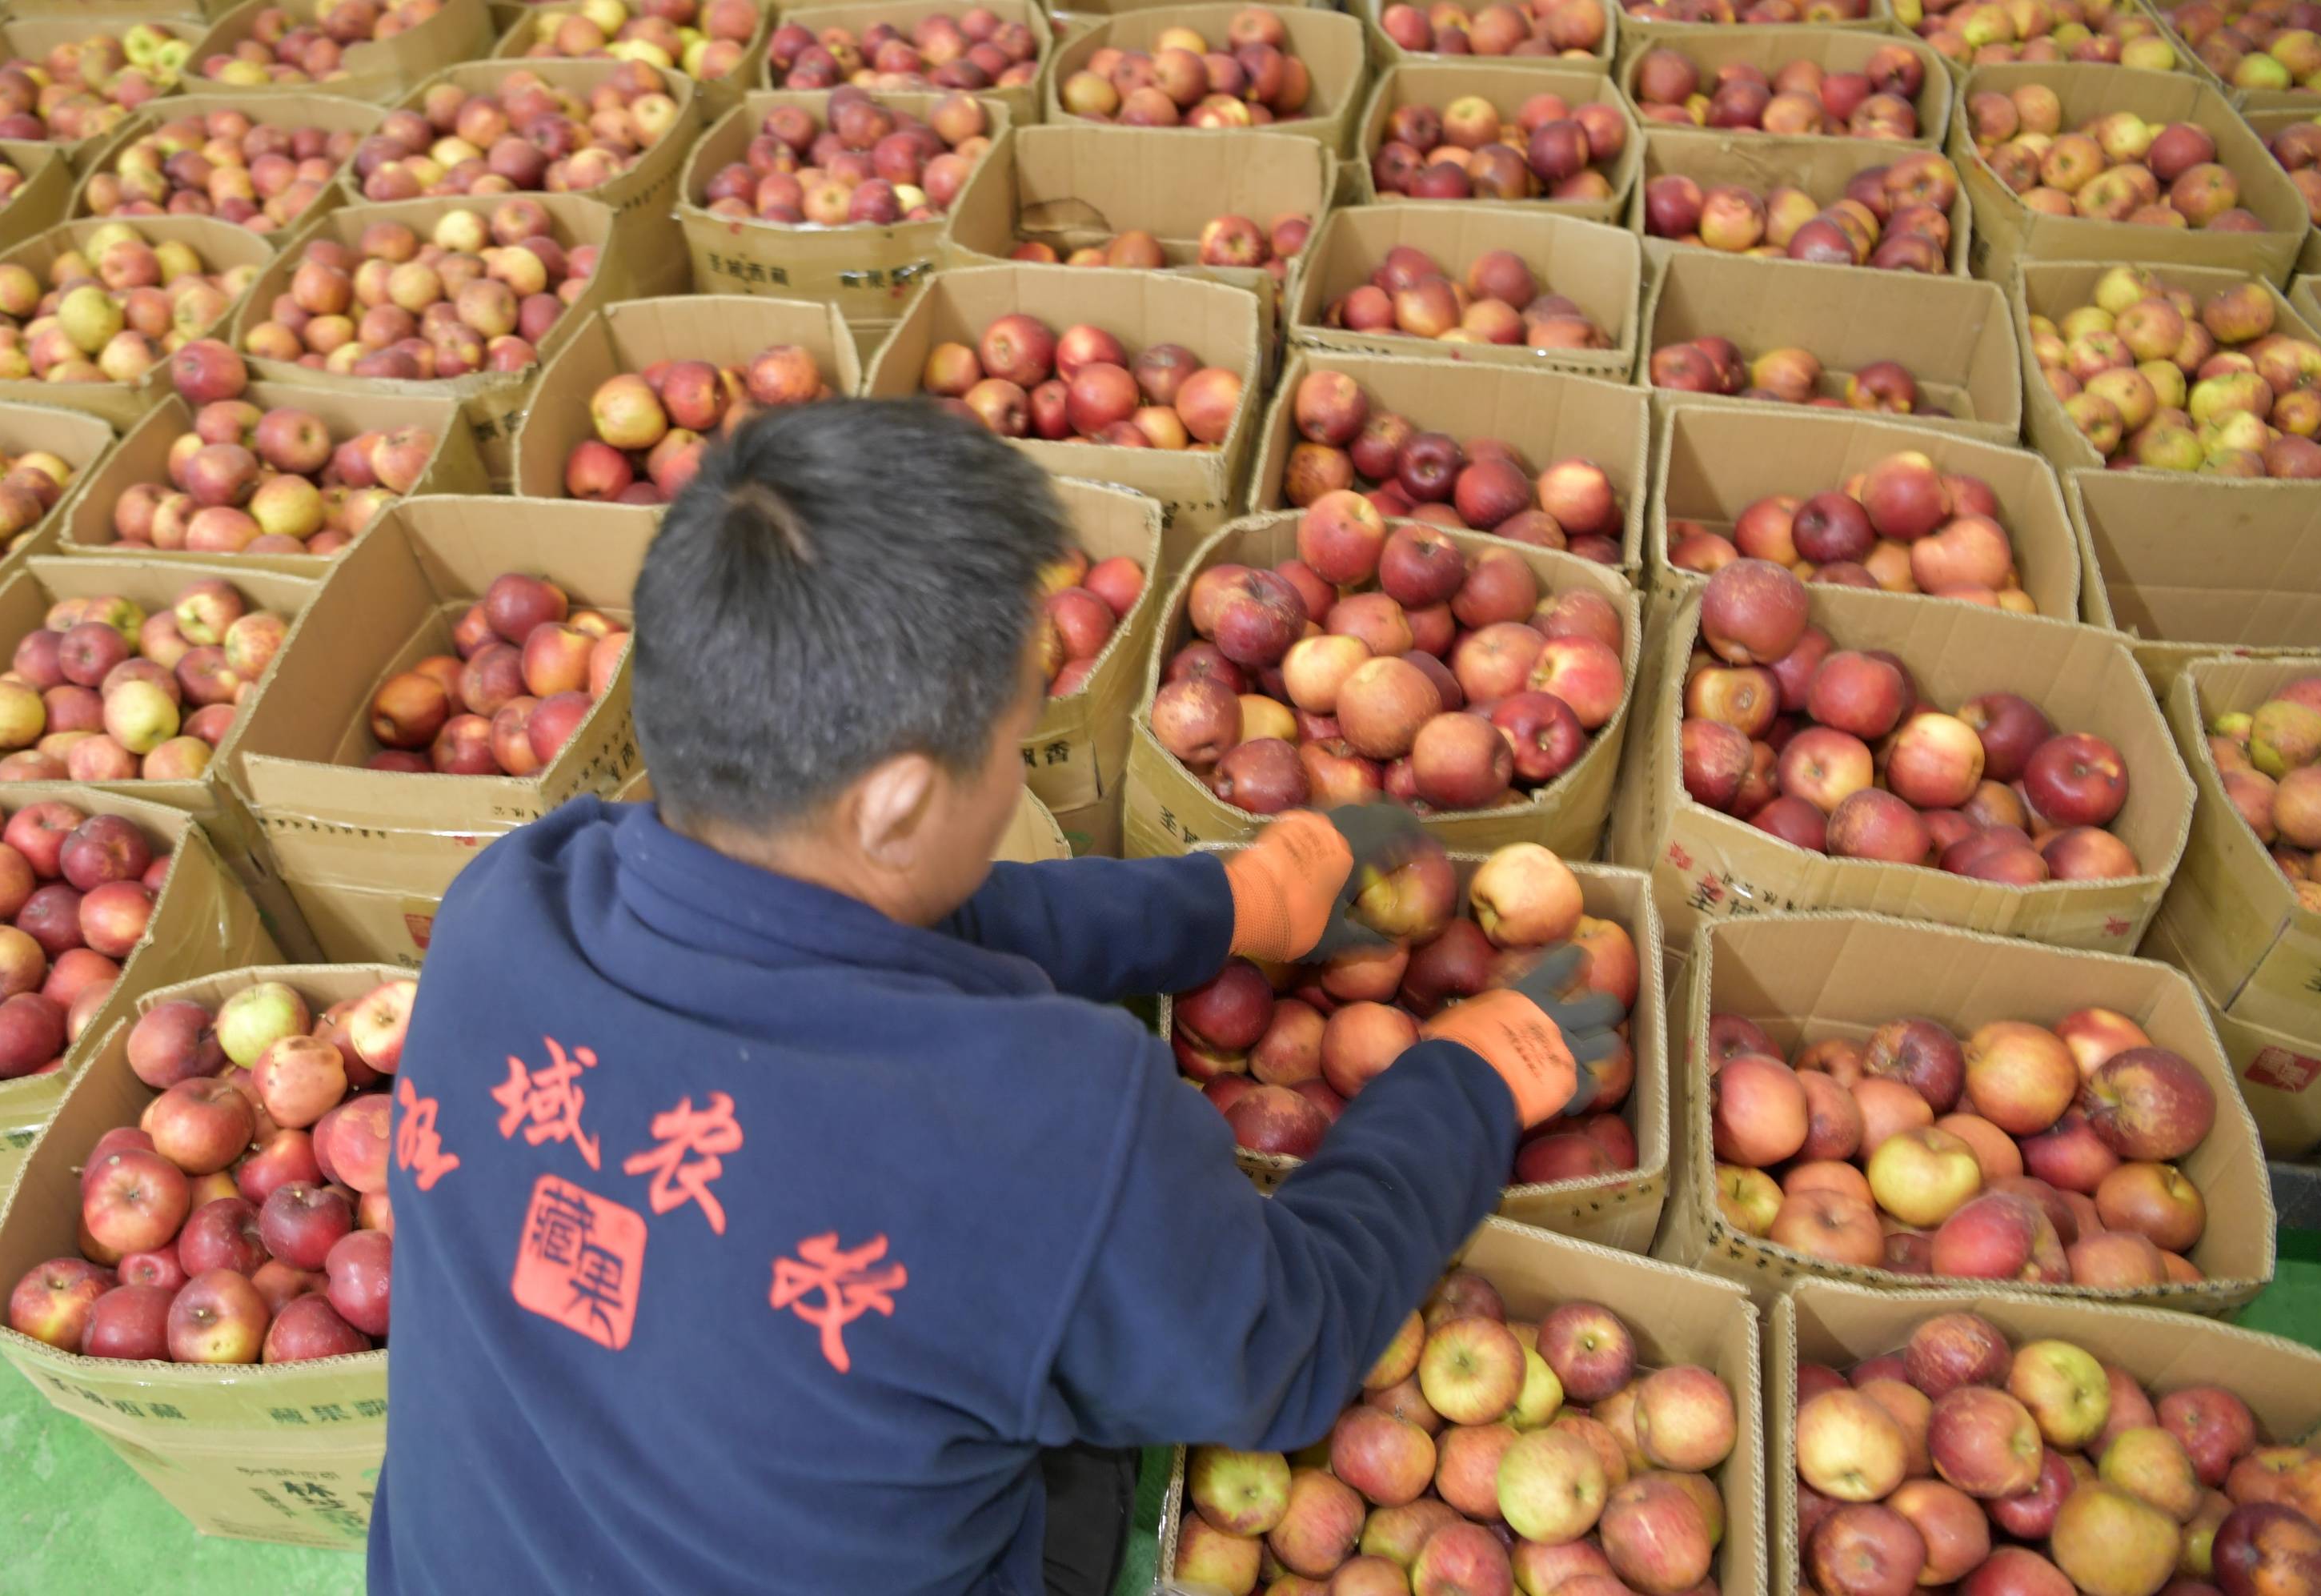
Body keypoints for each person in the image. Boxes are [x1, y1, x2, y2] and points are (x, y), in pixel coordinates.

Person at [366, 399, 1620, 1595]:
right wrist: (1464, 1085)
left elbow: (846, 910)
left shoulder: (506, 902)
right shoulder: (1049, 1121)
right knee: (1088, 1401)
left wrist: (1214, 906)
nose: (1017, 766)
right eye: (1015, 740)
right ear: (901, 802)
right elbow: (1279, 1348)